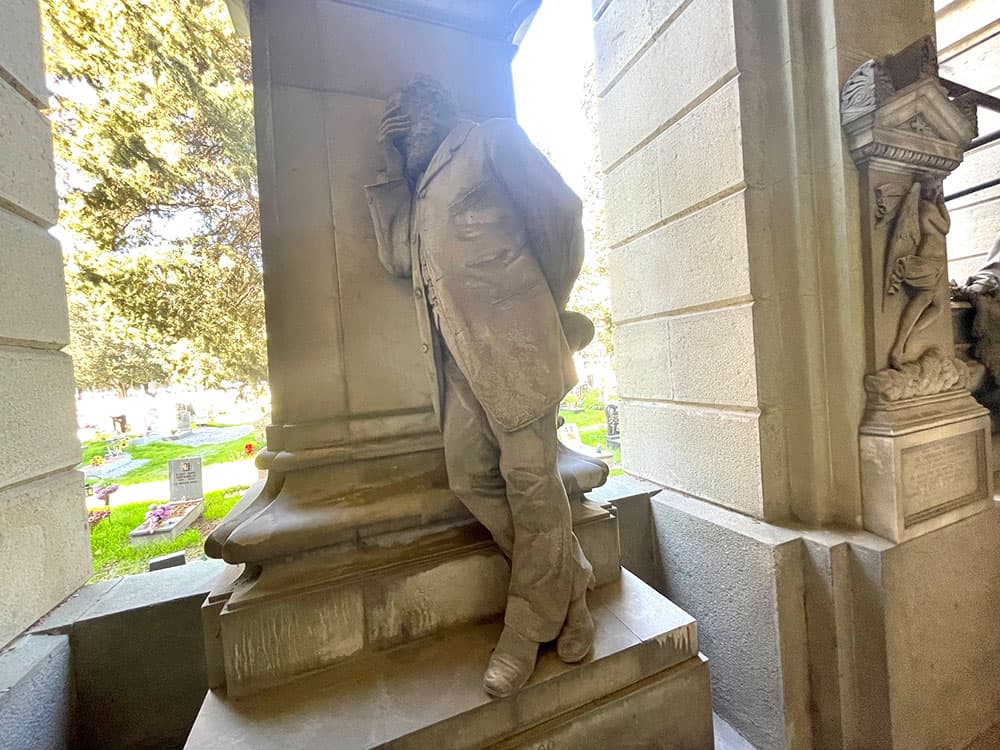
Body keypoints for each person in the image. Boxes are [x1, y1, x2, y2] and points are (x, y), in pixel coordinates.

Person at [365, 77, 595, 698]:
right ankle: (570, 586)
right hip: (458, 362)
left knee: (530, 482)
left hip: (521, 349)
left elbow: (562, 215)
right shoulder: (418, 189)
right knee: (471, 477)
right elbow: (397, 260)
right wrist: (391, 170)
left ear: (432, 111)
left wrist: (542, 307)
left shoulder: (490, 140)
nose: (393, 129)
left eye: (399, 119)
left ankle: (525, 629)